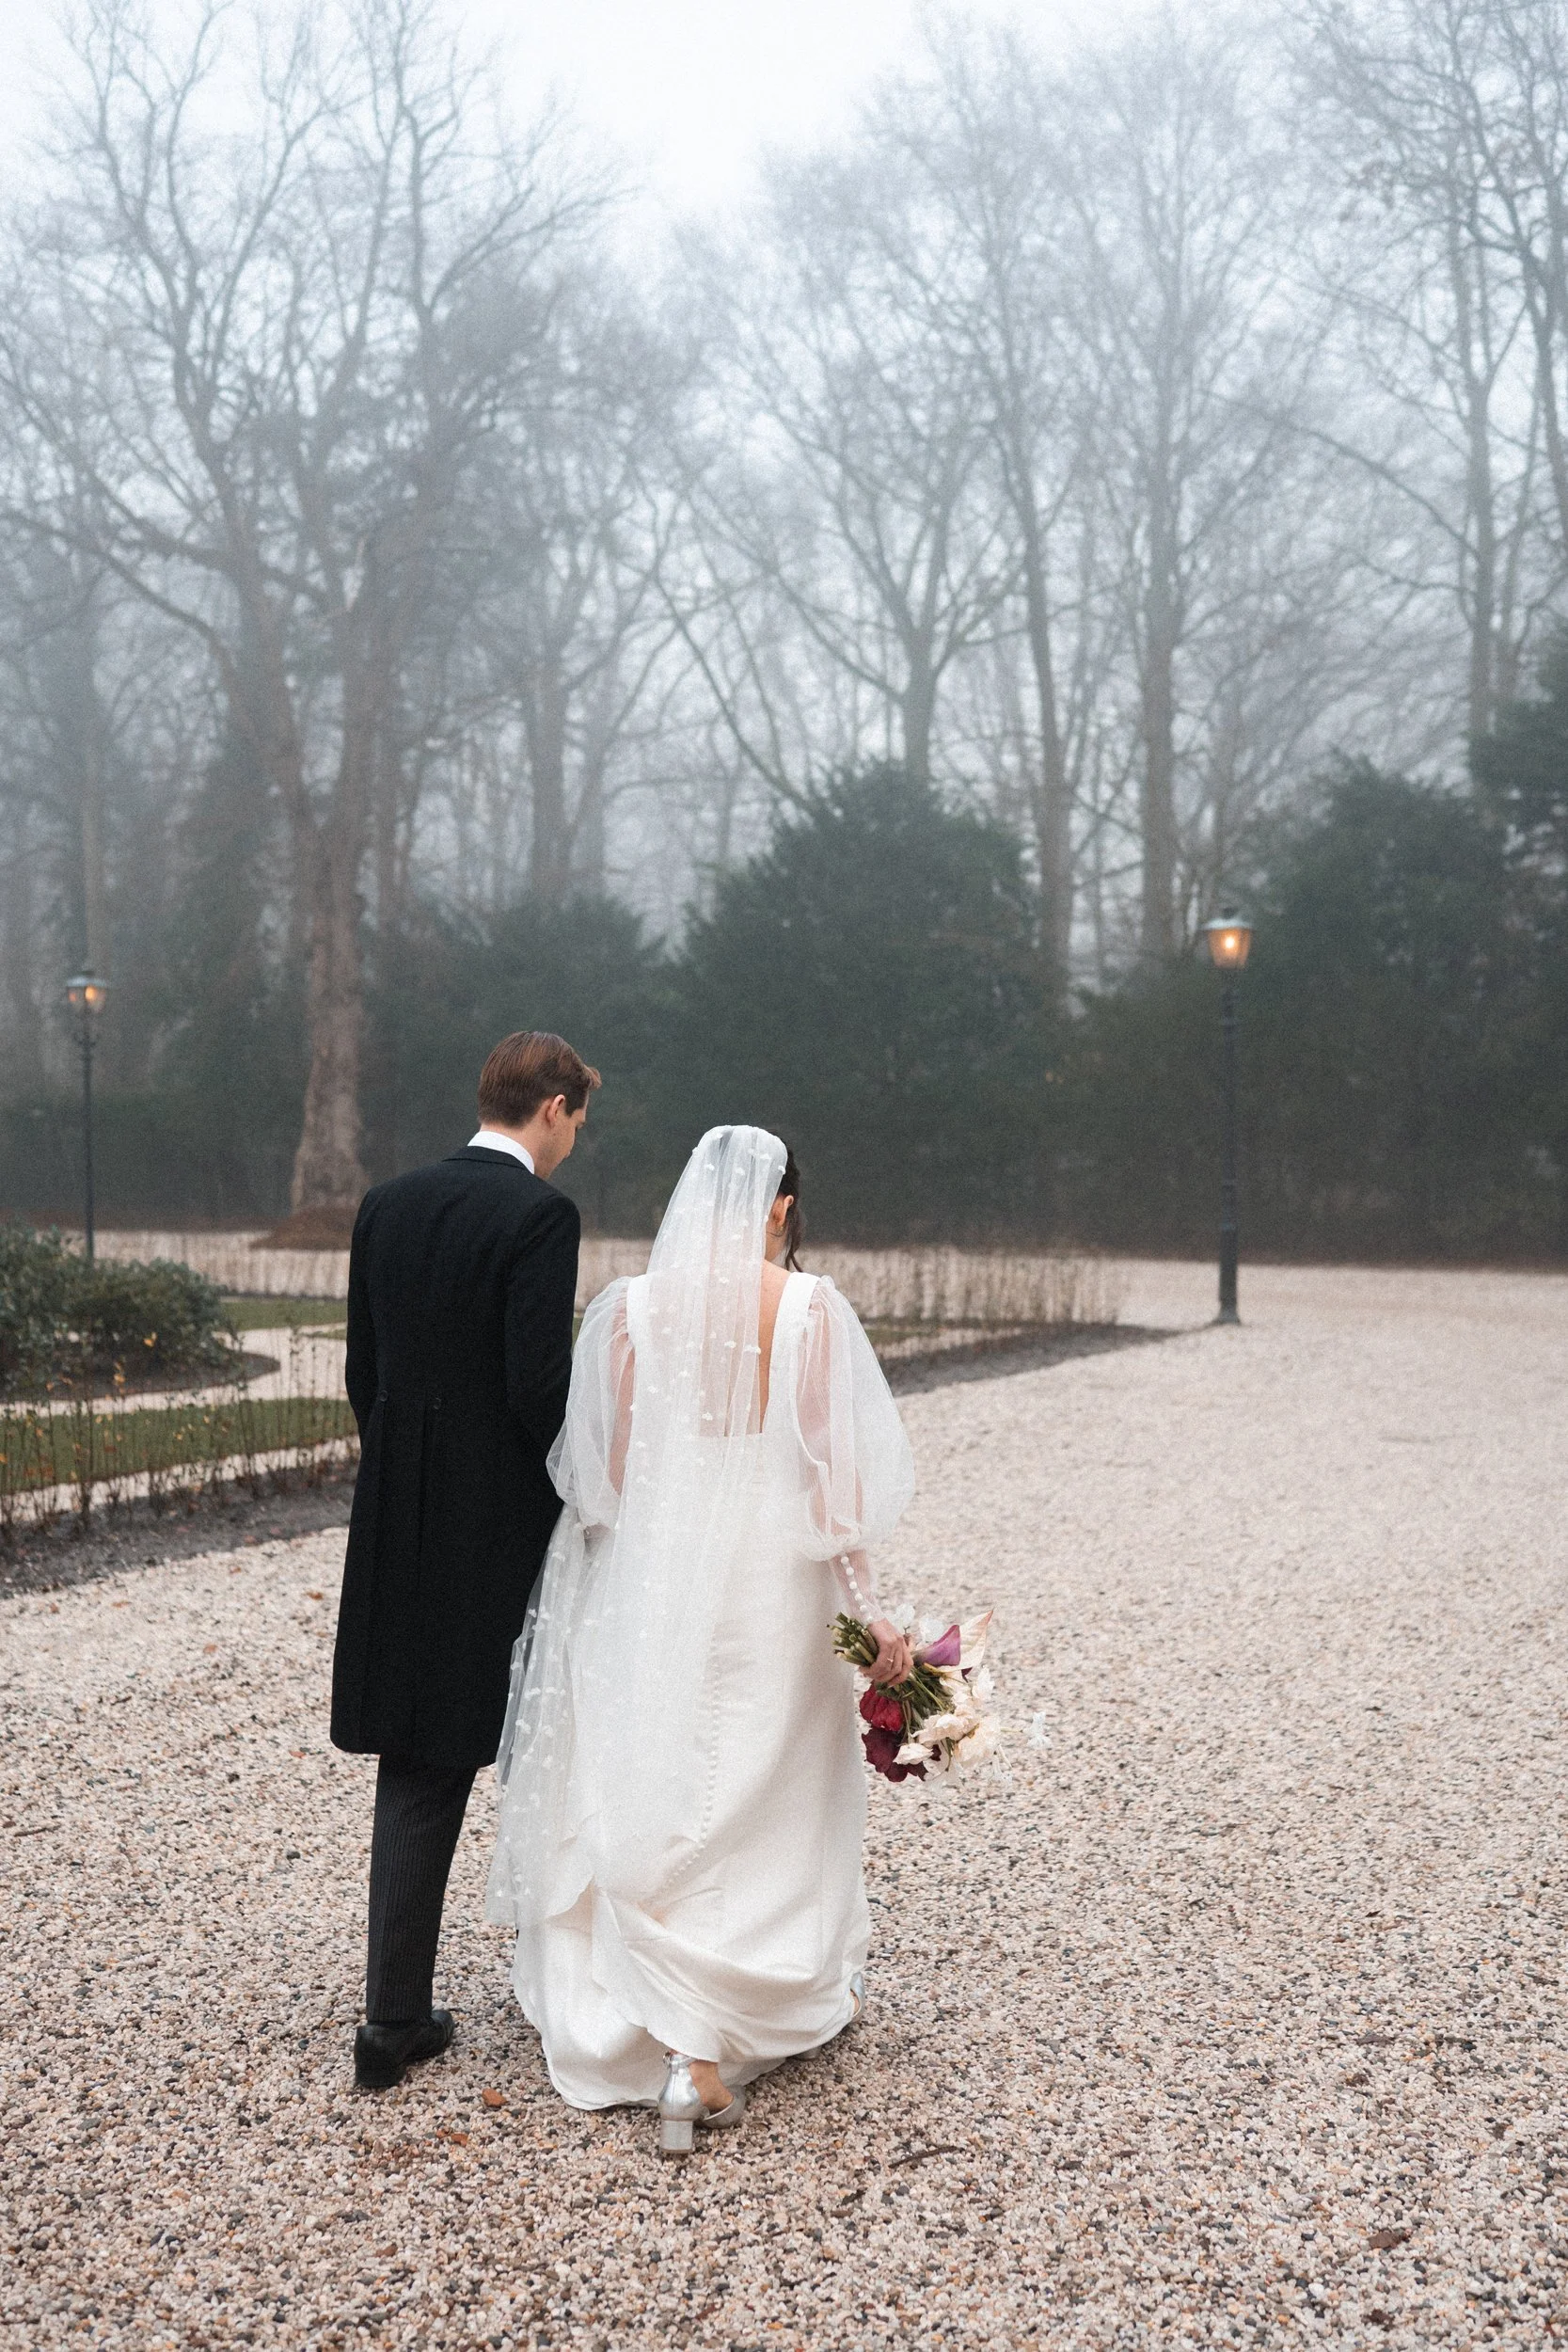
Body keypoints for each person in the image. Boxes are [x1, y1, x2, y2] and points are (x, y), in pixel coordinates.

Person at [486, 1123, 916, 2152]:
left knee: (662, 1760)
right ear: (775, 1210)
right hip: (773, 1580)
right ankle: (711, 2035)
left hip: (654, 1572)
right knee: (769, 1781)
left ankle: (658, 2023)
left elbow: (606, 1482)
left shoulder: (627, 1312)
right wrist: (871, 1615)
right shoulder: (808, 1309)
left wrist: (650, 1564)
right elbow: (836, 1489)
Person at [332, 1029, 599, 2091]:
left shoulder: (386, 1202)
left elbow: (363, 1367)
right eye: (577, 1116)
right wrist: (587, 1489)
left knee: (419, 1750)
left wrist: (405, 1461)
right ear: (549, 1108)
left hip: (395, 1501)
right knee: (537, 1723)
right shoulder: (537, 1215)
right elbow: (538, 1385)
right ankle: (587, 1980)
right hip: (493, 1514)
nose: (575, 1138)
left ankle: (394, 2010)